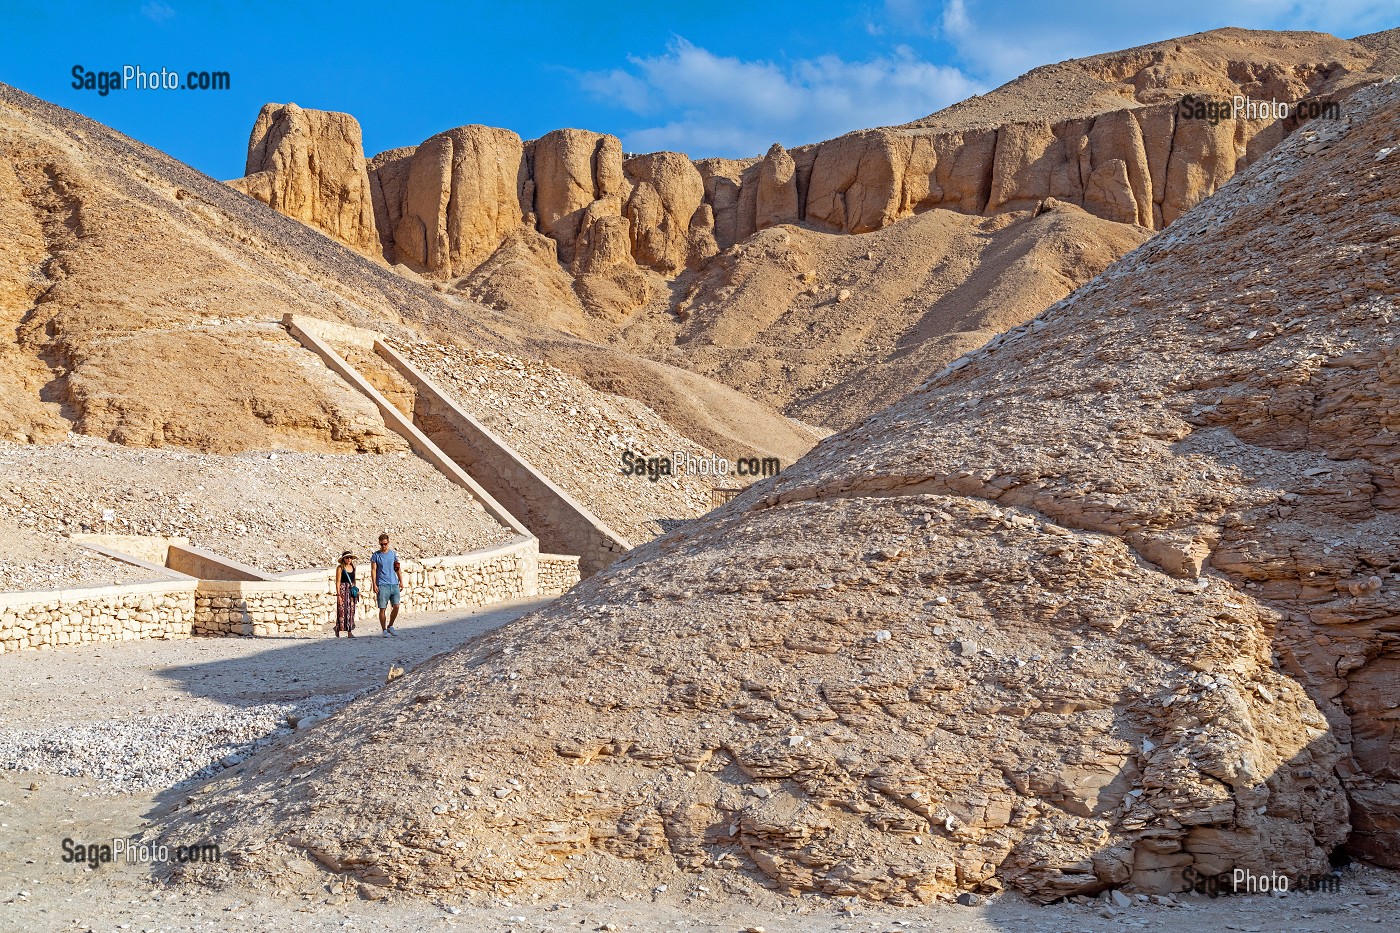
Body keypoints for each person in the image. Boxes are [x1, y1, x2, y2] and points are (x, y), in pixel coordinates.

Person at [370, 533, 404, 636]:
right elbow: (373, 570)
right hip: (382, 584)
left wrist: (401, 580)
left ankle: (390, 626)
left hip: (393, 583)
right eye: (381, 544)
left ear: (388, 543)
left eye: (385, 544)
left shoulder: (393, 554)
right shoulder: (376, 556)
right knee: (382, 608)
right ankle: (384, 629)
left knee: (396, 606)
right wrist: (374, 584)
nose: (383, 546)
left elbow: (397, 568)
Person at [333, 551, 358, 638]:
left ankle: (349, 631)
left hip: (351, 591)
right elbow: (338, 582)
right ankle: (338, 628)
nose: (349, 559)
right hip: (343, 590)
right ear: (343, 559)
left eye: (350, 558)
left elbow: (354, 580)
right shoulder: (340, 568)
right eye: (347, 558)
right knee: (342, 610)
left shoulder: (353, 567)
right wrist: (338, 595)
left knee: (351, 611)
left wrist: (356, 591)